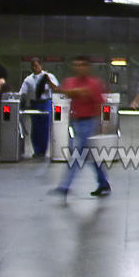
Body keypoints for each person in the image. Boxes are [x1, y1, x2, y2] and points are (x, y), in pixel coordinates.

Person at [53, 56, 110, 198]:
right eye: (76, 65)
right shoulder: (70, 81)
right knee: (89, 156)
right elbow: (62, 91)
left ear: (88, 67)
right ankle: (103, 183)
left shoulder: (94, 83)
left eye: (82, 65)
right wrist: (78, 92)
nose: (79, 68)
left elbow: (99, 104)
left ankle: (64, 186)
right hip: (76, 122)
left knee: (78, 154)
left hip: (89, 122)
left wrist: (100, 124)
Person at [18, 58, 58, 158]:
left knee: (44, 126)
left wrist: (48, 80)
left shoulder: (49, 76)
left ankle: (43, 150)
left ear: (41, 65)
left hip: (46, 102)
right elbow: (22, 92)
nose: (34, 68)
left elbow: (56, 88)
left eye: (36, 66)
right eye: (32, 66)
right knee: (35, 127)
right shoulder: (28, 79)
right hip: (34, 103)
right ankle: (37, 150)